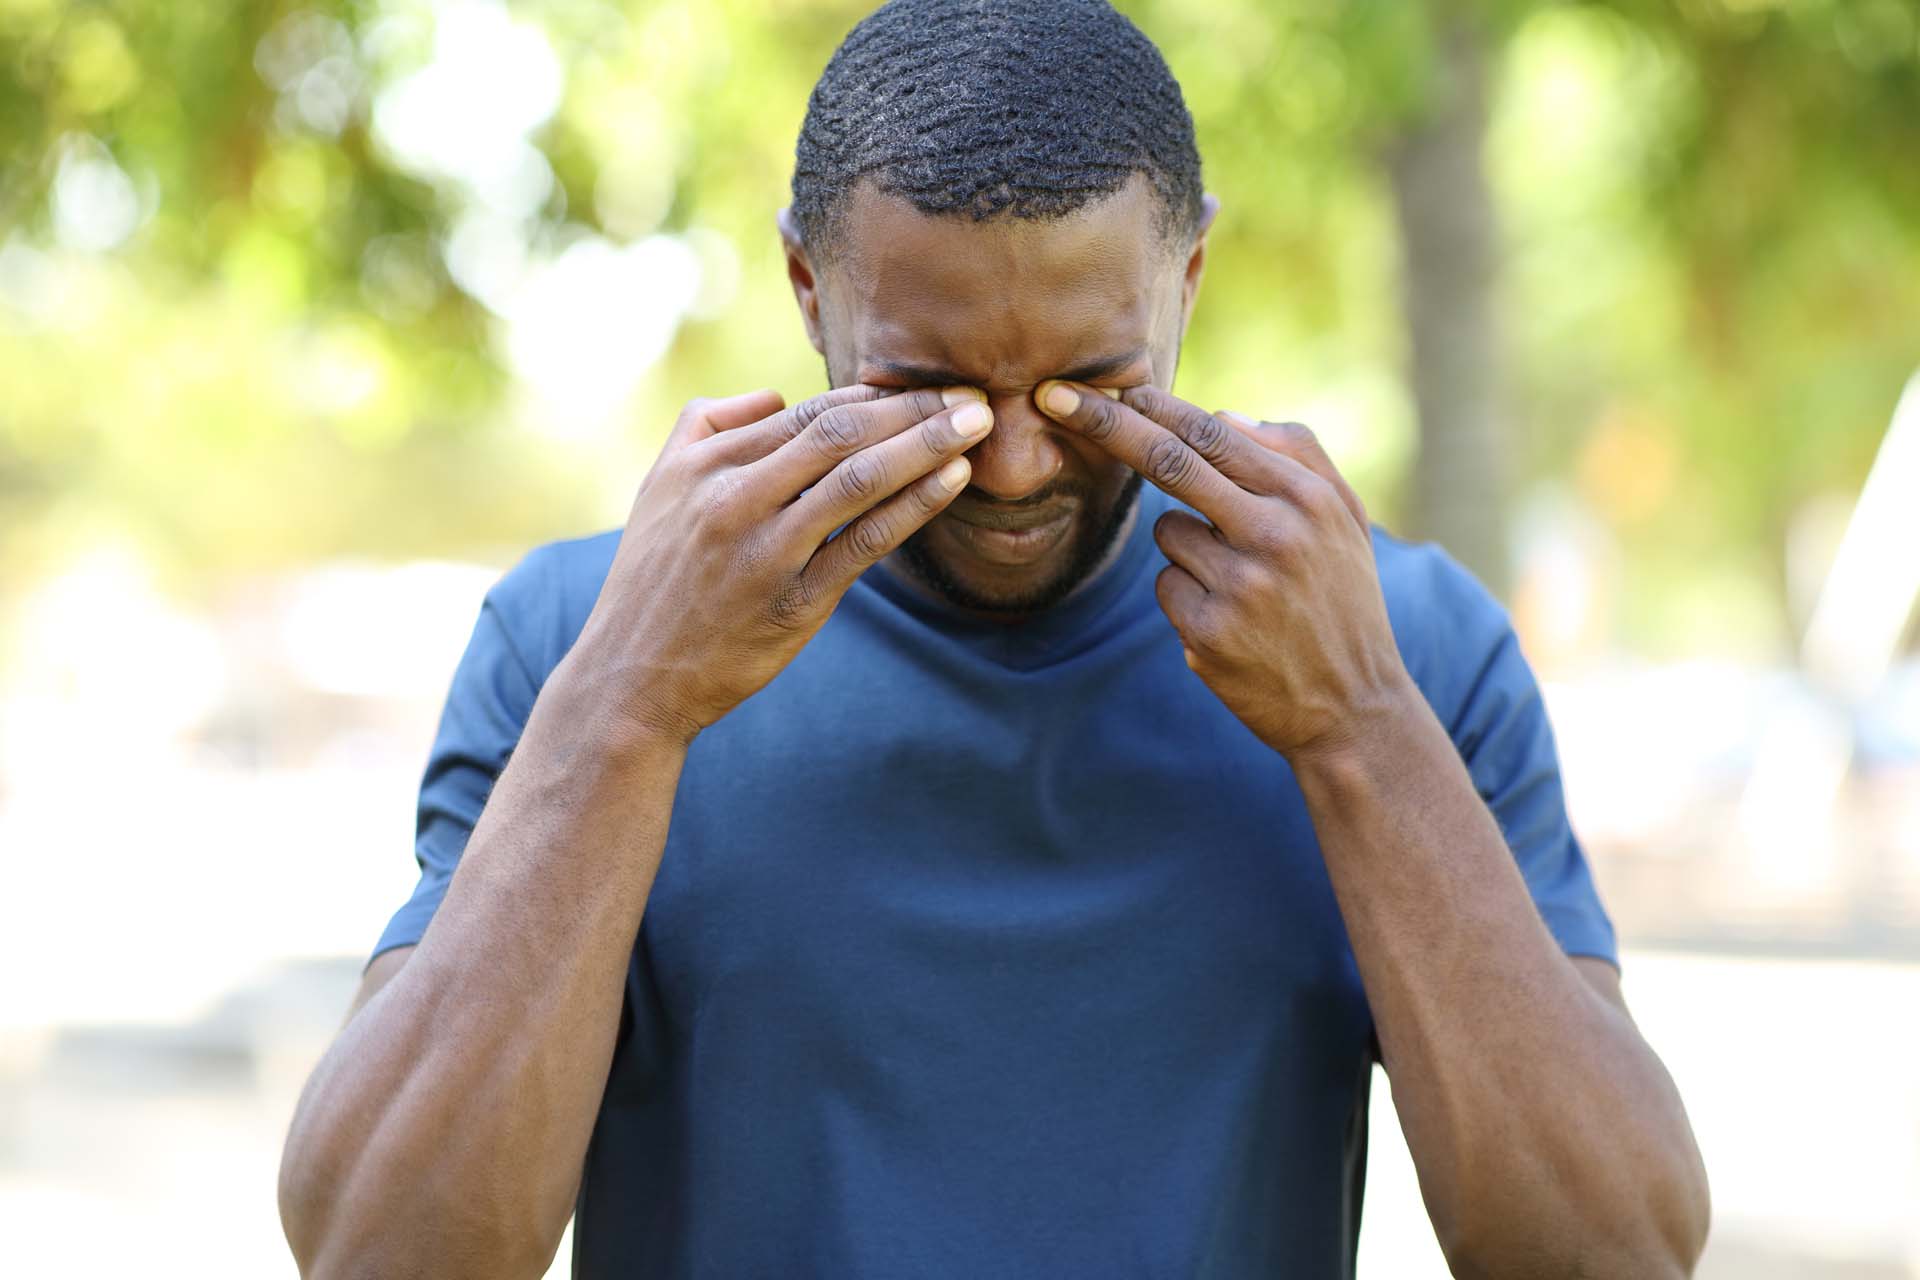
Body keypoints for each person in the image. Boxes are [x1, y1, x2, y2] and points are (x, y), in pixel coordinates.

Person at [278, 1, 1710, 1276]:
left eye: (1093, 382)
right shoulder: (580, 644)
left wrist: (1359, 733)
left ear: (1190, 274)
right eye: (930, 387)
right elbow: (376, 1252)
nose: (1017, 465)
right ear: (805, 287)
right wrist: (626, 711)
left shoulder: (1404, 647)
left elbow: (1617, 1254)